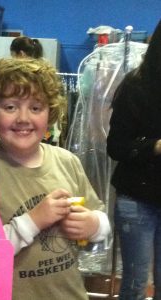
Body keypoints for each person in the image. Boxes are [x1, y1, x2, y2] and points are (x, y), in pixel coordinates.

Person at [0, 57, 110, 300]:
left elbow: (102, 221)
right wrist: (33, 221)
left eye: (36, 108)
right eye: (10, 107)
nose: (24, 118)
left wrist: (93, 225)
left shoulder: (67, 162)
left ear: (49, 115)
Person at [107, 19, 161, 300]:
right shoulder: (136, 85)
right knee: (136, 283)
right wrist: (154, 147)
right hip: (137, 197)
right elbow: (115, 146)